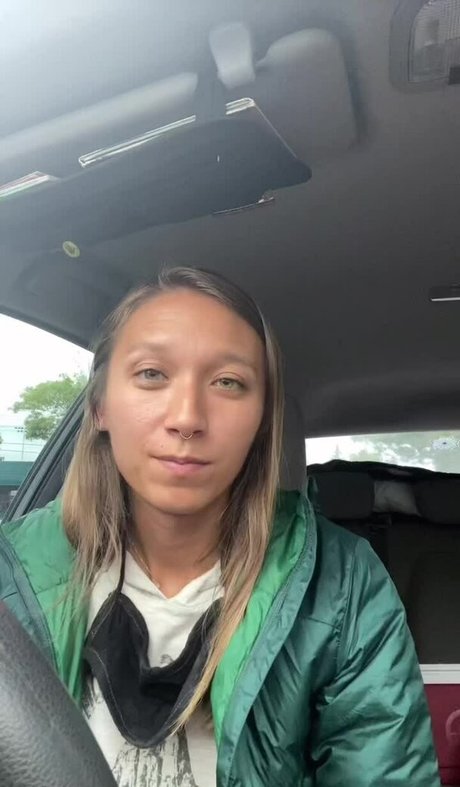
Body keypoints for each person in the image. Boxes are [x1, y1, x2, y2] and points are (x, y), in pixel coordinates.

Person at [0, 267, 439, 786]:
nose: (188, 417)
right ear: (99, 407)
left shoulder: (342, 584)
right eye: (151, 374)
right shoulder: (12, 572)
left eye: (228, 382)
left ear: (262, 422)